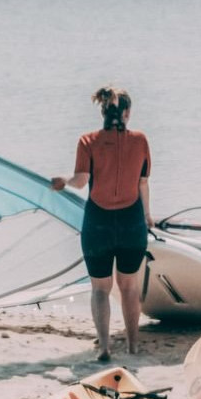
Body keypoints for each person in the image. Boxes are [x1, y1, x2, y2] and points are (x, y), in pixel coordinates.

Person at [51, 85, 153, 361]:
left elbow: (81, 180)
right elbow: (143, 183)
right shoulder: (141, 140)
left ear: (103, 112)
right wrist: (147, 218)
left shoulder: (87, 141)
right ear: (128, 113)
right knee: (129, 287)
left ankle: (106, 347)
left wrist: (63, 181)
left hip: (98, 224)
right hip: (132, 224)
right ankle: (132, 347)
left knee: (100, 289)